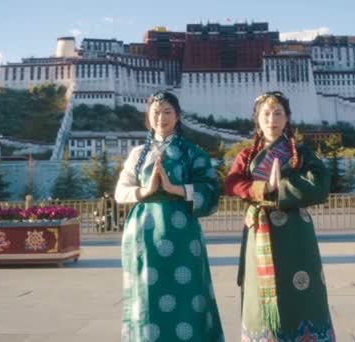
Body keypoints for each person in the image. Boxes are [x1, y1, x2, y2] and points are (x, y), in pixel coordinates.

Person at [224, 91, 335, 341]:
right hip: (260, 229)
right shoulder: (247, 155)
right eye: (266, 113)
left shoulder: (301, 153)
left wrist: (280, 187)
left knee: (301, 288)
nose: (271, 119)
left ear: (287, 119)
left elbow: (319, 184)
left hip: (295, 233)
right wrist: (263, 188)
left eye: (278, 113)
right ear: (257, 119)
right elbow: (232, 183)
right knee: (259, 292)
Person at [115, 91, 224, 341]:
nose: (160, 117)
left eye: (167, 112)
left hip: (182, 235)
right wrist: (145, 191)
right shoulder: (137, 154)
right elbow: (120, 192)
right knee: (145, 295)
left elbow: (211, 191)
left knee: (189, 293)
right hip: (144, 234)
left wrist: (177, 190)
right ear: (148, 117)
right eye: (155, 112)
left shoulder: (193, 153)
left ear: (177, 117)